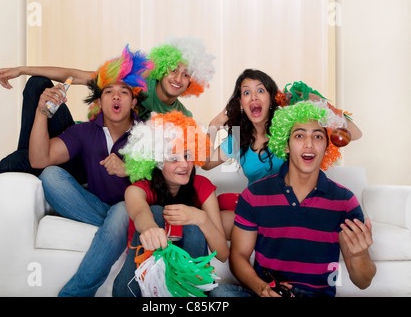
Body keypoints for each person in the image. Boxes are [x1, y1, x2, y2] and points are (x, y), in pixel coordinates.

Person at [0, 37, 215, 215]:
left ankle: (28, 163)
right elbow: (76, 75)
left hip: (98, 164)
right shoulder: (134, 80)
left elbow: (176, 160)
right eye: (174, 70)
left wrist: (224, 132)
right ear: (162, 67)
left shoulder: (181, 115)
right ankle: (30, 162)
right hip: (82, 140)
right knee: (38, 83)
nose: (178, 79)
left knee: (19, 161)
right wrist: (22, 69)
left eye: (186, 75)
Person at [210, 101, 376, 297]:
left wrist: (359, 255)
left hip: (316, 295)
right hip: (269, 292)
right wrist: (261, 288)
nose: (309, 144)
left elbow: (363, 282)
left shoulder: (345, 201)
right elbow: (238, 257)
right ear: (286, 145)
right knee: (220, 293)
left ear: (326, 147)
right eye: (299, 136)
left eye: (317, 136)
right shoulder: (254, 195)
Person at [29, 45, 154, 296]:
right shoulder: (84, 131)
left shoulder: (148, 132)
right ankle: (115, 230)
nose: (116, 97)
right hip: (95, 206)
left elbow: (164, 181)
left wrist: (128, 169)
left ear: (133, 101)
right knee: (51, 176)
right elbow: (39, 160)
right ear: (99, 101)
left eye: (123, 92)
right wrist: (42, 113)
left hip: (133, 210)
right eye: (109, 92)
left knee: (121, 211)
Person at [203, 70, 362, 238]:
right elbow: (206, 164)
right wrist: (214, 124)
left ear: (272, 99)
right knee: (212, 221)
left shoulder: (290, 126)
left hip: (295, 206)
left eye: (260, 90)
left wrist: (315, 100)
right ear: (241, 103)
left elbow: (355, 133)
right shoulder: (238, 137)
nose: (254, 97)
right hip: (258, 210)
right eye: (246, 92)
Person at [112, 111, 229, 297]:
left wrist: (201, 218)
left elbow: (222, 254)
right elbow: (139, 211)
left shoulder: (203, 187)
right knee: (156, 212)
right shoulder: (139, 189)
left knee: (195, 224)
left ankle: (186, 293)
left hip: (185, 284)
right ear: (157, 162)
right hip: (138, 285)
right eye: (173, 158)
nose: (184, 165)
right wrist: (149, 227)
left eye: (187, 155)